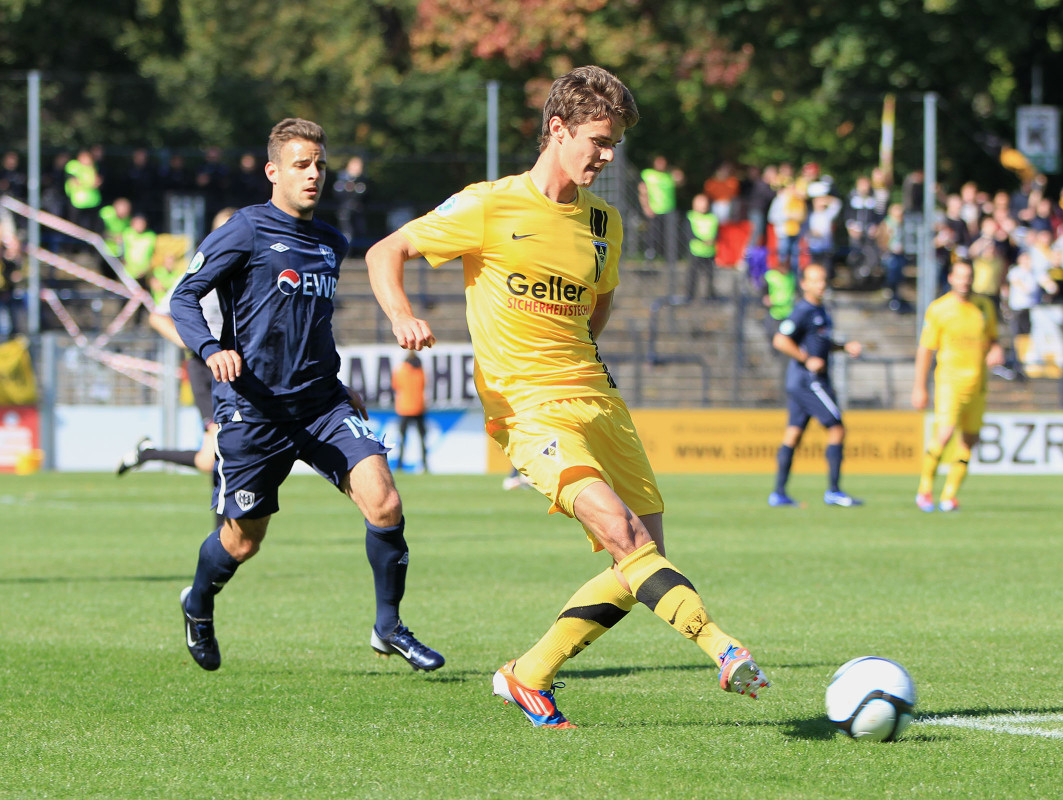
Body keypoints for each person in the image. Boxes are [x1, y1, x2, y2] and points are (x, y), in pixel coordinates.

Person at [366, 65, 768, 728]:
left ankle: (528, 675)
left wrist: (572, 353)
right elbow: (386, 251)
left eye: (615, 145)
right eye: (598, 141)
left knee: (640, 559)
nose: (607, 157)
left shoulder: (604, 222)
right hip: (527, 408)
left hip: (599, 400)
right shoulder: (489, 205)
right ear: (558, 129)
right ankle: (723, 649)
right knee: (625, 536)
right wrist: (402, 314)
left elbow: (598, 304)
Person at [169, 118, 443, 673]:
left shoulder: (331, 242)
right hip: (254, 409)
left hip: (321, 405)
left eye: (319, 164)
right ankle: (197, 602)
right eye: (301, 165)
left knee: (385, 503)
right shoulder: (245, 229)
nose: (314, 174)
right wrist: (211, 349)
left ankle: (388, 626)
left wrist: (339, 387)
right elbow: (184, 297)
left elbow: (309, 326)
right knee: (243, 542)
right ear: (273, 172)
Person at [116, 208, 238, 526]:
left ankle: (148, 453)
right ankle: (223, 535)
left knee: (209, 458)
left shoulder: (250, 271)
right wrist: (195, 343)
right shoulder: (202, 271)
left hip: (237, 366)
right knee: (220, 448)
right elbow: (158, 316)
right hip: (206, 367)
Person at [911, 260, 1003, 512]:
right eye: (960, 276)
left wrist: (996, 349)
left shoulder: (984, 306)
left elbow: (993, 338)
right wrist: (919, 387)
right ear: (951, 278)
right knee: (945, 433)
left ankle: (949, 496)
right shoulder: (939, 309)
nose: (965, 281)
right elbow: (925, 350)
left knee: (969, 440)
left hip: (978, 383)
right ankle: (925, 490)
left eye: (968, 276)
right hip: (950, 382)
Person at [768, 264, 863, 508]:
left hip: (800, 382)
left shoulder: (821, 310)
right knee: (837, 428)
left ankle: (778, 493)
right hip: (809, 381)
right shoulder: (803, 310)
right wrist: (806, 358)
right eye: (815, 280)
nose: (821, 284)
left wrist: (843, 347)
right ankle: (834, 491)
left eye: (823, 280)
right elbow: (780, 340)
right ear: (804, 284)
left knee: (793, 433)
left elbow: (820, 343)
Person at [391, 351, 430, 473]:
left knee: (402, 439)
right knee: (422, 438)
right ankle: (425, 464)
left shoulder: (401, 370)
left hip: (404, 407)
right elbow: (424, 385)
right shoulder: (420, 370)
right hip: (419, 406)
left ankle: (399, 465)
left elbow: (396, 385)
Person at [684, 193, 718, 301]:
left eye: (705, 202)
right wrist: (703, 240)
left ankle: (709, 295)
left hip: (709, 252)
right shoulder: (691, 216)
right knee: (693, 275)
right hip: (696, 251)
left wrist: (712, 240)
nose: (703, 205)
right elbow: (689, 234)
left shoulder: (712, 218)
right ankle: (690, 295)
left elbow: (717, 233)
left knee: (710, 275)